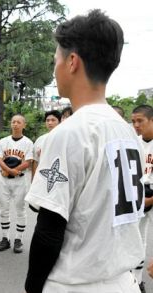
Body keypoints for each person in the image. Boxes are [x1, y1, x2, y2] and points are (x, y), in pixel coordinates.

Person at [24, 10, 145, 293]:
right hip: (122, 281)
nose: (54, 69)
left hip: (75, 282)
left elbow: (49, 230)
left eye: (56, 60)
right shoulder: (126, 130)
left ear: (72, 62)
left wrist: (32, 287)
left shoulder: (69, 133)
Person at [0, 114, 33, 253]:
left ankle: (18, 239)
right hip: (4, 179)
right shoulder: (3, 141)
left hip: (20, 180)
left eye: (18, 122)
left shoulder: (28, 143)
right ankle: (5, 238)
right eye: (13, 122)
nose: (15, 124)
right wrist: (9, 170)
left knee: (20, 210)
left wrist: (14, 170)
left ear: (24, 125)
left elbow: (28, 162)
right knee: (4, 209)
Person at [131, 105, 153, 293]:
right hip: (139, 196)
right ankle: (137, 282)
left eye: (141, 121)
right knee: (138, 239)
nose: (136, 125)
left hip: (151, 196)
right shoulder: (133, 142)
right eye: (133, 121)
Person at [32, 110, 61, 178]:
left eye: (53, 120)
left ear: (59, 122)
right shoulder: (40, 140)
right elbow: (35, 161)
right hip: (41, 176)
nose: (50, 123)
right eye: (47, 120)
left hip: (58, 176)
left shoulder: (64, 139)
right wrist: (34, 178)